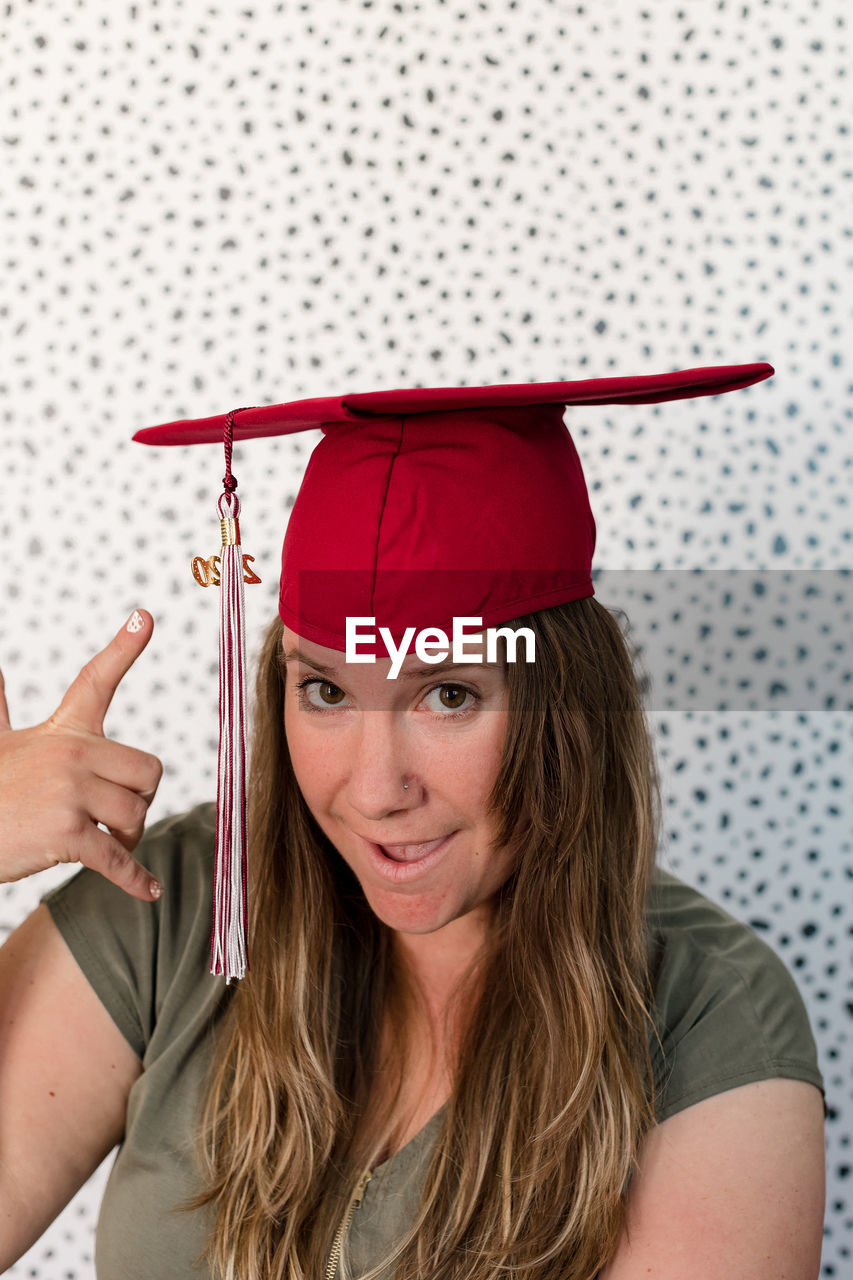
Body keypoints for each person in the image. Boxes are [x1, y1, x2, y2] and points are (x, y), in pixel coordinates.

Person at [0, 369, 826, 1280]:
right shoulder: (176, 904)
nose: (374, 789)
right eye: (324, 690)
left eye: (446, 693)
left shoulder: (703, 1013)